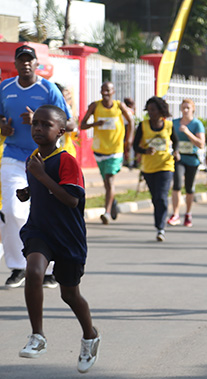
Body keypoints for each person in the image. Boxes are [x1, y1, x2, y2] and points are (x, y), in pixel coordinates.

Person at [16, 105, 99, 373]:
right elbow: (42, 182)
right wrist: (29, 190)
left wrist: (40, 177)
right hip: (39, 230)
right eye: (35, 124)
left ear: (60, 131)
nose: (38, 128)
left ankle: (90, 335)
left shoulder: (67, 160)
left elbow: (72, 199)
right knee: (34, 272)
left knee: (70, 294)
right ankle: (37, 336)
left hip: (67, 237)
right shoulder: (35, 157)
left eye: (45, 125)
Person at [0, 45, 73, 289]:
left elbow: (69, 123)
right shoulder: (5, 88)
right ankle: (18, 266)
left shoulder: (48, 89)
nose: (26, 64)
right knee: (12, 210)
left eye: (30, 59)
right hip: (13, 155)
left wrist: (39, 121)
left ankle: (50, 268)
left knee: (45, 211)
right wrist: (3, 127)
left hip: (44, 158)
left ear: (36, 62)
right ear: (16, 63)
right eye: (21, 60)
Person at [80, 81, 134, 225]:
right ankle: (113, 202)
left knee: (110, 180)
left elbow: (131, 121)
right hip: (99, 149)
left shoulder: (119, 106)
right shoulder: (95, 106)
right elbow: (82, 125)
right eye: (103, 90)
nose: (105, 93)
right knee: (106, 182)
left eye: (108, 90)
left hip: (115, 150)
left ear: (113, 92)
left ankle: (107, 212)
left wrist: (129, 140)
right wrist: (95, 124)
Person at [132, 97, 180, 242]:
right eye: (149, 110)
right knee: (155, 198)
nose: (150, 113)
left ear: (160, 111)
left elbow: (176, 141)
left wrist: (176, 152)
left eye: (153, 110)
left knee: (162, 196)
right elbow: (135, 146)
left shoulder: (169, 126)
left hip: (166, 165)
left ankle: (161, 228)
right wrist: (145, 151)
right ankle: (159, 224)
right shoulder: (143, 125)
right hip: (148, 168)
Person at [168, 100, 205, 227]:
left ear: (193, 109)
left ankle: (188, 213)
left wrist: (187, 132)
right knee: (177, 185)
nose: (185, 110)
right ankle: (175, 214)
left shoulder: (197, 124)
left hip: (192, 159)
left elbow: (201, 144)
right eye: (183, 108)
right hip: (178, 158)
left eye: (188, 108)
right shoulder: (175, 123)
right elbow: (168, 138)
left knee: (189, 188)